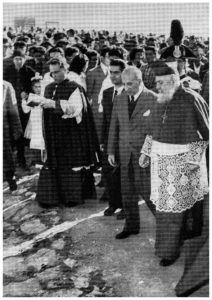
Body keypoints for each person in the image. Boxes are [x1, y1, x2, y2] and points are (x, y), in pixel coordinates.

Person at [139, 63, 209, 266]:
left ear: (171, 80)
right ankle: (173, 245)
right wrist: (146, 152)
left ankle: (169, 251)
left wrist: (193, 162)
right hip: (161, 163)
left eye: (160, 82)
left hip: (183, 163)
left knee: (176, 210)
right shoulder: (160, 99)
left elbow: (205, 133)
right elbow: (152, 130)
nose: (156, 86)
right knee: (167, 209)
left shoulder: (191, 98)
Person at [37, 58, 100, 208]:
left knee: (71, 163)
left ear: (65, 69)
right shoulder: (48, 87)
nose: (54, 76)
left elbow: (76, 109)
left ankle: (72, 197)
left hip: (70, 134)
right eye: (52, 73)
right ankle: (52, 198)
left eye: (57, 72)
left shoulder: (74, 87)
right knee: (54, 162)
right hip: (54, 134)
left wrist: (55, 104)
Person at [107, 66, 157, 239]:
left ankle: (169, 229)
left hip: (145, 156)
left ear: (139, 81)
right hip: (125, 154)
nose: (126, 88)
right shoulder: (120, 98)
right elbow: (114, 125)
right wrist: (111, 150)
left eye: (130, 84)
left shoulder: (153, 99)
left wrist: (147, 153)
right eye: (124, 84)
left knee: (150, 195)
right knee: (127, 193)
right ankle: (131, 226)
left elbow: (157, 131)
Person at [100, 59, 126, 218]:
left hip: (125, 140)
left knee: (124, 176)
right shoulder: (107, 92)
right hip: (110, 140)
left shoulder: (130, 92)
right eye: (111, 72)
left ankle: (126, 207)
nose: (113, 76)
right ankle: (113, 204)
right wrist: (103, 141)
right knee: (109, 173)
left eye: (117, 72)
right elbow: (105, 120)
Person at [3, 49, 35, 169]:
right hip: (9, 107)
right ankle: (9, 163)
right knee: (9, 135)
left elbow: (35, 87)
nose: (18, 61)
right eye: (16, 58)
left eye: (21, 58)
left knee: (20, 133)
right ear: (13, 59)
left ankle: (22, 160)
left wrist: (27, 93)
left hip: (23, 107)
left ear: (25, 59)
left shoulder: (29, 71)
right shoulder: (7, 71)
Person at [86, 46, 110, 140]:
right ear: (102, 58)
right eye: (108, 57)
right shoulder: (92, 72)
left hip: (109, 107)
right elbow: (89, 94)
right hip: (96, 108)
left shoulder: (113, 72)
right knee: (97, 134)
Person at [3, 81, 22, 191]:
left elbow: (12, 109)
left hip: (3, 129)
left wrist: (17, 128)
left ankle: (12, 183)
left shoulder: (5, 86)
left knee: (6, 158)